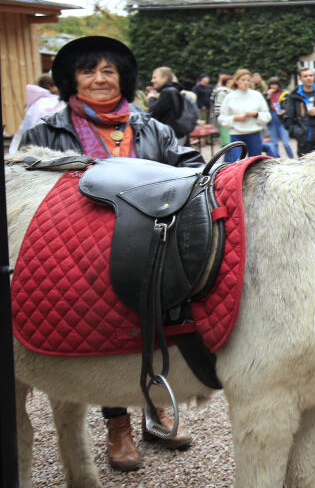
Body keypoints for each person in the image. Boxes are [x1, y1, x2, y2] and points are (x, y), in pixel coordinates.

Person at [20, 36, 201, 472]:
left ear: (123, 78)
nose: (99, 79)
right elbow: (26, 185)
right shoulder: (45, 131)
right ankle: (117, 426)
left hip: (148, 245)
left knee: (157, 322)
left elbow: (188, 164)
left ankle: (155, 410)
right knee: (99, 334)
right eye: (88, 71)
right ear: (70, 79)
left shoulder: (151, 128)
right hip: (77, 251)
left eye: (108, 71)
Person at [218, 68, 271, 163]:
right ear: (237, 81)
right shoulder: (230, 97)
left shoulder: (256, 95)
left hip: (254, 134)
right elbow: (222, 118)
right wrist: (235, 118)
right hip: (236, 135)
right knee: (237, 163)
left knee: (255, 164)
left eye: (248, 80)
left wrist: (256, 114)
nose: (246, 82)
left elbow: (267, 115)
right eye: (243, 80)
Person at [9, 73, 65, 154]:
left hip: (35, 148)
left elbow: (24, 129)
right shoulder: (57, 102)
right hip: (57, 148)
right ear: (50, 86)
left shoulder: (35, 105)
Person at [146, 66, 184, 141]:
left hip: (169, 137)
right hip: (177, 135)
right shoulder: (174, 90)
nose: (152, 81)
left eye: (154, 77)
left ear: (165, 78)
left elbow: (152, 112)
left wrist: (151, 98)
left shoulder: (167, 92)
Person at [264, 76, 295, 158]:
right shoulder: (266, 94)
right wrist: (268, 97)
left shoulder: (284, 93)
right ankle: (276, 159)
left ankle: (292, 159)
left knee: (286, 143)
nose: (273, 86)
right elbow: (263, 108)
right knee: (275, 143)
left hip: (282, 119)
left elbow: (290, 105)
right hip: (272, 118)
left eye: (275, 84)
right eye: (271, 84)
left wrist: (285, 111)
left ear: (279, 85)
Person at [211, 73, 232, 147]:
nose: (231, 83)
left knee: (229, 141)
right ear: (225, 83)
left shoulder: (230, 91)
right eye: (229, 82)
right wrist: (221, 118)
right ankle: (228, 157)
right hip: (223, 118)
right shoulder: (222, 92)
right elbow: (218, 107)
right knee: (226, 141)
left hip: (230, 118)